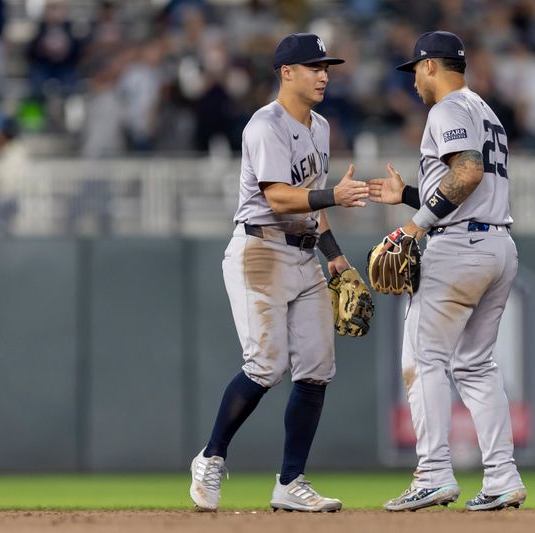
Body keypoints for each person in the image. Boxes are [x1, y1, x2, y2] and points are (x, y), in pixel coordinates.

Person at [189, 32, 369, 513]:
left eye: (326, 67)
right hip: (260, 248)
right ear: (286, 73)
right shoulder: (264, 125)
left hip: (304, 253)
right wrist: (335, 197)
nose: (323, 75)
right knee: (265, 365)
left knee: (316, 368)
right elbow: (279, 197)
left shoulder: (321, 126)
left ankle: (291, 483)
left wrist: (334, 256)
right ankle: (210, 457)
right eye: (314, 67)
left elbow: (311, 201)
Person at [369, 31, 526, 512]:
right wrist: (413, 197)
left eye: (416, 68)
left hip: (459, 248)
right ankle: (502, 477)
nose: (414, 78)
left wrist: (414, 226)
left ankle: (433, 472)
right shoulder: (485, 110)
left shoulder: (447, 109)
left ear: (432, 66)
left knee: (423, 358)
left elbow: (468, 172)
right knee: (476, 365)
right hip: (497, 243)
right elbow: (467, 183)